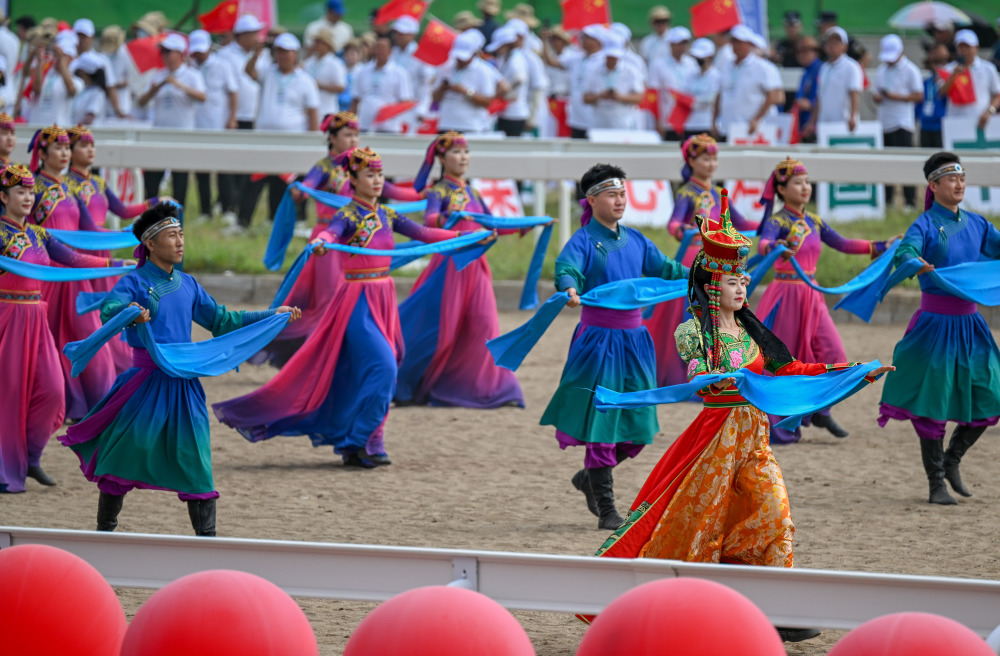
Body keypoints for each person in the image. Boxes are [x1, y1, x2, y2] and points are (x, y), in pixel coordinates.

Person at [589, 195, 892, 645]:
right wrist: (716, 374)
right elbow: (697, 379)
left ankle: (776, 609)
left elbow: (792, 369)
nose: (742, 286)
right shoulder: (694, 332)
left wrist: (854, 372)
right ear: (713, 285)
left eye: (744, 279)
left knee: (773, 514)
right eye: (734, 280)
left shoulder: (754, 330)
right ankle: (687, 610)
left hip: (754, 441)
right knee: (699, 528)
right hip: (714, 444)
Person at [214, 148, 479, 468]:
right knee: (384, 367)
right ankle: (360, 439)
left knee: (382, 367)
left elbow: (425, 234)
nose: (378, 181)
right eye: (370, 175)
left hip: (384, 299)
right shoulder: (349, 215)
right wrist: (321, 241)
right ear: (352, 180)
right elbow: (331, 232)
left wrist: (465, 237)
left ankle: (366, 444)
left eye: (380, 175)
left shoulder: (388, 215)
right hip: (358, 302)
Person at [60, 201, 299, 533]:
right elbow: (110, 309)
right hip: (144, 384)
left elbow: (221, 320)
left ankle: (208, 541)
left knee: (197, 461)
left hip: (184, 385)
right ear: (151, 244)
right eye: (172, 236)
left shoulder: (188, 284)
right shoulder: (134, 282)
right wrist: (130, 310)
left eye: (181, 234)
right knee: (122, 460)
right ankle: (105, 532)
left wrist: (270, 315)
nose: (180, 241)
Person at [542, 163, 687, 530]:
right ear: (591, 200)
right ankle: (607, 509)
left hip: (637, 342)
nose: (620, 199)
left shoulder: (636, 240)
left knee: (639, 427)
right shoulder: (583, 241)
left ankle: (588, 478)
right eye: (612, 193)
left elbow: (669, 269)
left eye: (623, 193)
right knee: (602, 422)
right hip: (599, 342)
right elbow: (567, 268)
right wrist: (569, 287)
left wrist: (711, 272)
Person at [0, 164, 131, 493]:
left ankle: (31, 456)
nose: (29, 197)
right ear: (3, 197)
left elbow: (74, 259)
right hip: (7, 318)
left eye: (31, 191)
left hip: (36, 319)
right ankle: (6, 469)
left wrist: (118, 263)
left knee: (54, 391)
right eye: (21, 192)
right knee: (9, 394)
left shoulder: (39, 235)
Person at [879, 152, 1000, 505]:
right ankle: (936, 483)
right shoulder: (926, 225)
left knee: (991, 393)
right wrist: (915, 262)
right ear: (934, 185)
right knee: (932, 402)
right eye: (951, 179)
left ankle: (952, 460)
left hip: (971, 323)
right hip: (934, 327)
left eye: (962, 178)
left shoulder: (978, 224)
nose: (959, 184)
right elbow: (905, 252)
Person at [756, 158, 895, 443]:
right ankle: (781, 422)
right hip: (786, 295)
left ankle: (821, 410)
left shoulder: (814, 221)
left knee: (834, 353)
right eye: (798, 182)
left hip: (812, 294)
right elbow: (763, 242)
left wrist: (882, 246)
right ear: (782, 189)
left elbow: (843, 243)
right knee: (785, 362)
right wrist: (775, 247)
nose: (805, 187)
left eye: (807, 182)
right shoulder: (777, 221)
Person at [395, 132, 525, 408]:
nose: (463, 158)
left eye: (466, 152)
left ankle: (489, 388)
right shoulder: (438, 191)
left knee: (483, 324)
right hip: (451, 265)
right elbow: (430, 221)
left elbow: (491, 223)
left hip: (476, 266)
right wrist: (453, 218)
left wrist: (526, 225)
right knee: (438, 330)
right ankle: (406, 381)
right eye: (456, 152)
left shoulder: (473, 192)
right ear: (442, 158)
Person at [645, 134, 756, 388]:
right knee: (693, 312)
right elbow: (673, 223)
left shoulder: (719, 193)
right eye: (706, 158)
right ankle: (684, 373)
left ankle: (722, 366)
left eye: (714, 158)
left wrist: (766, 226)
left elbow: (741, 223)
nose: (711, 164)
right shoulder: (687, 192)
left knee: (720, 313)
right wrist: (682, 230)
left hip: (718, 260)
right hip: (695, 256)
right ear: (692, 161)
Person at [28, 125, 121, 421]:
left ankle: (92, 401)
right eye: (58, 148)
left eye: (68, 148)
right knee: (50, 340)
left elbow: (91, 230)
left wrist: (134, 235)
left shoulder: (69, 189)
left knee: (86, 333)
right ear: (42, 154)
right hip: (47, 273)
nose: (65, 154)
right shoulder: (33, 189)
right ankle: (57, 404)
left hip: (73, 270)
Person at [66, 125, 162, 373]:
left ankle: (112, 362)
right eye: (83, 145)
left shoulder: (97, 182)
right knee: (87, 310)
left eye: (91, 145)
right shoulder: (68, 185)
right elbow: (89, 227)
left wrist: (155, 202)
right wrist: (127, 234)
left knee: (109, 306)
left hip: (103, 249)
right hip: (84, 250)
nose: (89, 150)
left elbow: (123, 211)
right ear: (70, 150)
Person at [137, 32, 206, 205]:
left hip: (182, 133)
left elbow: (202, 97)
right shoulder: (158, 75)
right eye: (163, 52)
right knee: (152, 180)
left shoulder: (192, 75)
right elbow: (142, 101)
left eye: (168, 52)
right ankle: (150, 216)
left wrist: (179, 85)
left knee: (179, 180)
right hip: (159, 133)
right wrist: (156, 88)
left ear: (180, 54)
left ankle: (177, 220)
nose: (164, 56)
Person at [189, 29, 238, 222]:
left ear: (209, 47)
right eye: (196, 51)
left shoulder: (222, 65)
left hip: (218, 123)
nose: (199, 54)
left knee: (223, 168)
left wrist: (232, 117)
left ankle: (227, 208)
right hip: (196, 124)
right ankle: (205, 210)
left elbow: (233, 92)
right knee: (201, 170)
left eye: (202, 50)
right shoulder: (189, 66)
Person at [874, 35, 923, 210]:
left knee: (905, 162)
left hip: (902, 122)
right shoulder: (881, 70)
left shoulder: (910, 70)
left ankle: (909, 200)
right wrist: (878, 97)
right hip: (884, 121)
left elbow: (919, 95)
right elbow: (877, 92)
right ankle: (888, 199)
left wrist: (897, 97)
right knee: (885, 162)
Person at [713, 25, 782, 140]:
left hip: (749, 129)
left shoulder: (761, 67)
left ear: (749, 44)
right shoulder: (726, 66)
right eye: (734, 41)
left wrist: (756, 119)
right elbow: (720, 95)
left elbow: (773, 96)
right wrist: (714, 120)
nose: (736, 46)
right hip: (726, 126)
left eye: (740, 42)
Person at [434, 30, 503, 135]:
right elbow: (435, 98)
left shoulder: (484, 70)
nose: (460, 60)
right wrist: (442, 88)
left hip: (471, 126)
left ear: (474, 53)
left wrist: (466, 91)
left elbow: (487, 102)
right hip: (446, 125)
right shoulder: (446, 67)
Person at [805, 27, 863, 137]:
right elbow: (819, 97)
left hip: (844, 123)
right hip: (824, 123)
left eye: (836, 42)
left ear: (845, 46)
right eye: (829, 42)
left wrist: (852, 117)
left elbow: (854, 93)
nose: (832, 45)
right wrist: (812, 122)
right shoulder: (824, 67)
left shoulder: (852, 67)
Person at [351, 33, 413, 133]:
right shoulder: (363, 71)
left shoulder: (399, 73)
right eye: (377, 48)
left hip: (389, 126)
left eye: (383, 48)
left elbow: (406, 101)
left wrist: (388, 112)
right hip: (365, 123)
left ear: (390, 51)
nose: (379, 51)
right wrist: (352, 122)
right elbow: (356, 99)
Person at [940, 30, 1000, 130]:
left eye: (967, 47)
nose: (964, 50)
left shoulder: (988, 68)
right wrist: (954, 75)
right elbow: (942, 92)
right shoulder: (948, 69)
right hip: (955, 121)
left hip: (981, 121)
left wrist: (989, 111)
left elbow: (997, 95)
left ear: (976, 48)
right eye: (961, 47)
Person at [649, 26, 697, 140]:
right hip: (667, 120)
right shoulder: (658, 64)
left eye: (685, 43)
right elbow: (653, 94)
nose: (682, 47)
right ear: (671, 44)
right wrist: (657, 121)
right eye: (679, 43)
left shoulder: (691, 63)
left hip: (689, 120)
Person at [582, 42, 644, 130]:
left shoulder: (631, 71)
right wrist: (600, 96)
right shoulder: (593, 70)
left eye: (614, 57)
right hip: (599, 123)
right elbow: (585, 98)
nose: (611, 60)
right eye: (609, 57)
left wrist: (619, 97)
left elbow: (639, 98)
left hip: (623, 122)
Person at [27, 30, 79, 126]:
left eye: (64, 56)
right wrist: (40, 61)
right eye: (56, 55)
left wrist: (61, 60)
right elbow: (37, 89)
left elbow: (72, 90)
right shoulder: (46, 71)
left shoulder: (77, 80)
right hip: (37, 126)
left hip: (59, 131)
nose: (57, 58)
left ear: (72, 58)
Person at [489, 26, 530, 137]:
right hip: (505, 111)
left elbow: (520, 78)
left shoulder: (516, 58)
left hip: (515, 113)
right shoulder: (505, 57)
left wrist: (508, 91)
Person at [565, 25, 603, 139]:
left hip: (595, 119)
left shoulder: (604, 61)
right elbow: (554, 62)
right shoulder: (576, 58)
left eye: (586, 37)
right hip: (576, 117)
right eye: (582, 37)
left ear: (597, 41)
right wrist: (545, 40)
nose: (582, 40)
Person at [307, 27, 348, 117]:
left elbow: (341, 87)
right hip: (309, 112)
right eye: (316, 42)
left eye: (319, 42)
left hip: (327, 111)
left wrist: (320, 85)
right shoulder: (309, 62)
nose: (315, 44)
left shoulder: (335, 63)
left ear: (327, 45)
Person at [683, 39, 719, 138]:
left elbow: (710, 99)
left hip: (706, 123)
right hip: (689, 124)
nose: (698, 59)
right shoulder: (691, 75)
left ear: (710, 57)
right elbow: (685, 95)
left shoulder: (716, 76)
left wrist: (692, 102)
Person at [919, 45, 949, 149]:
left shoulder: (948, 81)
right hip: (925, 125)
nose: (937, 65)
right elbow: (919, 103)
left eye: (941, 62)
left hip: (941, 126)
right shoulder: (926, 82)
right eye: (934, 62)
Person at [793, 36, 821, 142]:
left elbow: (827, 98)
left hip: (814, 126)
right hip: (804, 125)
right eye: (799, 51)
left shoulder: (821, 70)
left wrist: (810, 104)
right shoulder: (806, 72)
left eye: (806, 50)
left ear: (816, 51)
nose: (802, 54)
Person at [68, 52, 108, 126]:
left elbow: (89, 118)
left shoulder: (97, 92)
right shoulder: (84, 89)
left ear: (83, 72)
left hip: (87, 136)